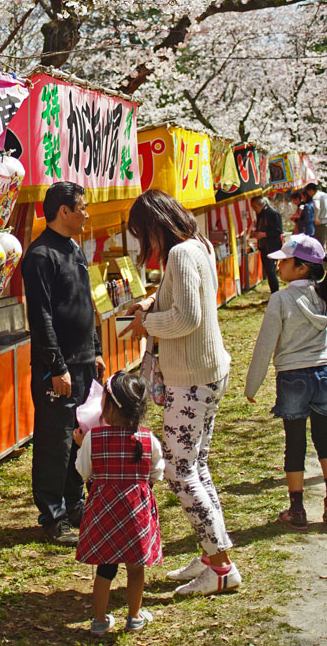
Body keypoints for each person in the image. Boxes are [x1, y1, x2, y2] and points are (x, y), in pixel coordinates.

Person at [125, 189, 242, 595]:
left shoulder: (180, 254)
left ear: (155, 225)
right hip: (204, 372)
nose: (145, 244)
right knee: (196, 465)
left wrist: (147, 324)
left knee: (179, 470)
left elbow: (186, 318)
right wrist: (153, 304)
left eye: (143, 234)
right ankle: (213, 555)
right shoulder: (199, 245)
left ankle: (221, 566)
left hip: (190, 377)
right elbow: (182, 301)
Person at [21, 181, 104, 545]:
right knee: (55, 440)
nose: (87, 213)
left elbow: (85, 303)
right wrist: (57, 367)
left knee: (79, 436)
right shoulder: (40, 256)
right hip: (58, 367)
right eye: (82, 207)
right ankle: (52, 515)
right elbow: (41, 318)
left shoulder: (74, 248)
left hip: (84, 360)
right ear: (64, 211)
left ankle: (75, 504)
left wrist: (96, 349)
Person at [245, 234, 327, 529]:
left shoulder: (280, 299)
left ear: (302, 267)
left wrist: (252, 385)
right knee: (325, 441)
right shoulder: (323, 296)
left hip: (292, 377)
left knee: (295, 443)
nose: (278, 265)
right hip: (324, 373)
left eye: (284, 260)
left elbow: (265, 344)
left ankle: (297, 509)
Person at [74, 370, 163, 637]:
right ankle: (134, 617)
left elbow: (84, 470)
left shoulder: (94, 438)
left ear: (109, 407)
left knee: (105, 567)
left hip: (105, 515)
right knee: (136, 569)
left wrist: (81, 444)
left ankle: (99, 621)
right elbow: (156, 472)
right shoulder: (148, 440)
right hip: (137, 515)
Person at [250, 195, 283, 294]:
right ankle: (274, 293)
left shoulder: (273, 213)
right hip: (263, 246)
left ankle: (275, 294)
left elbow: (278, 231)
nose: (254, 210)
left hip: (272, 246)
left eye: (255, 207)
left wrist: (263, 234)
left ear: (262, 205)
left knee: (271, 272)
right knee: (269, 272)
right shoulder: (260, 214)